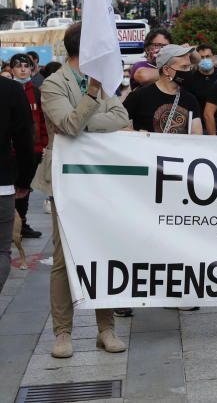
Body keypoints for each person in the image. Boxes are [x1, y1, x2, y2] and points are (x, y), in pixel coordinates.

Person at [35, 22, 130, 358]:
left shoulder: (103, 85)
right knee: (64, 257)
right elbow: (68, 126)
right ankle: (63, 333)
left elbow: (121, 117)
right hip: (66, 178)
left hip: (101, 178)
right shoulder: (52, 84)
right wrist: (91, 99)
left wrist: (87, 117)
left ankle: (106, 329)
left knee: (103, 250)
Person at [0, 73, 34, 293]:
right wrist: (23, 180)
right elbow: (24, 139)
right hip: (1, 182)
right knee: (2, 251)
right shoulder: (11, 89)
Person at [123, 44, 204, 135]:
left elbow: (197, 135)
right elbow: (115, 125)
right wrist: (139, 135)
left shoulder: (190, 99)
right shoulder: (139, 96)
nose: (188, 71)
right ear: (166, 70)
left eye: (190, 67)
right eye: (184, 67)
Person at [8, 53, 45, 238]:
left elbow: (43, 121)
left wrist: (43, 144)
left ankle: (22, 224)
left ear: (32, 69)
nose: (23, 69)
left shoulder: (37, 92)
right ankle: (9, 226)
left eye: (26, 65)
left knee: (25, 189)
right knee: (10, 190)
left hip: (34, 150)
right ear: (11, 69)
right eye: (18, 66)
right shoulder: (8, 91)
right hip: (12, 151)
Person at [187, 43, 217, 110]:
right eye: (202, 57)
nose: (205, 59)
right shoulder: (191, 77)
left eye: (208, 56)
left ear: (213, 57)